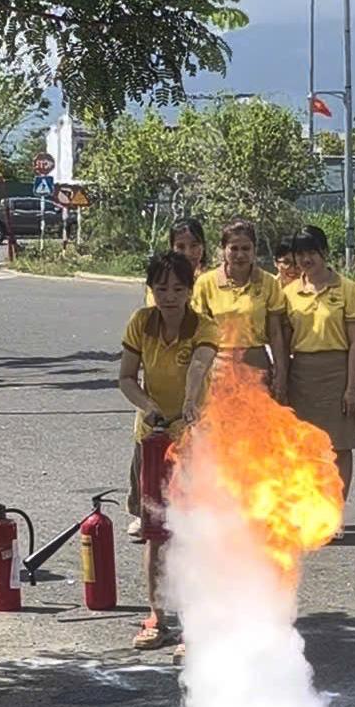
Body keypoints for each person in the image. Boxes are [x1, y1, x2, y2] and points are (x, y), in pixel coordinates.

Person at [119, 251, 219, 655]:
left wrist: (192, 402)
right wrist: (148, 406)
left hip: (195, 438)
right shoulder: (141, 323)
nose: (169, 296)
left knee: (194, 531)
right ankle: (157, 617)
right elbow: (126, 377)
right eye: (161, 288)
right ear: (151, 290)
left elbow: (199, 367)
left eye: (178, 288)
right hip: (153, 438)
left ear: (190, 289)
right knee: (156, 533)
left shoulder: (204, 326)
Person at [130, 217, 210, 540]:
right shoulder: (160, 284)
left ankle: (195, 513)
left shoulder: (210, 282)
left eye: (193, 245)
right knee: (148, 452)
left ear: (203, 248)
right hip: (161, 380)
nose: (188, 251)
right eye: (180, 246)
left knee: (195, 455)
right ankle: (143, 511)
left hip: (199, 376)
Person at [284, 227, 355, 538]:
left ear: (324, 252)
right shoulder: (289, 292)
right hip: (301, 372)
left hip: (337, 370)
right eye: (300, 254)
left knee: (339, 447)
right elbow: (284, 340)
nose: (306, 259)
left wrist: (351, 386)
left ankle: (335, 514)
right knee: (304, 449)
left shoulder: (346, 289)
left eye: (312, 252)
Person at [192, 219, 289, 400]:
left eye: (246, 249)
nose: (240, 255)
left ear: (254, 250)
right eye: (234, 249)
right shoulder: (206, 283)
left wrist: (281, 374)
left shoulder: (268, 283)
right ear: (223, 249)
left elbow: (275, 333)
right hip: (217, 365)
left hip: (256, 364)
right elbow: (197, 333)